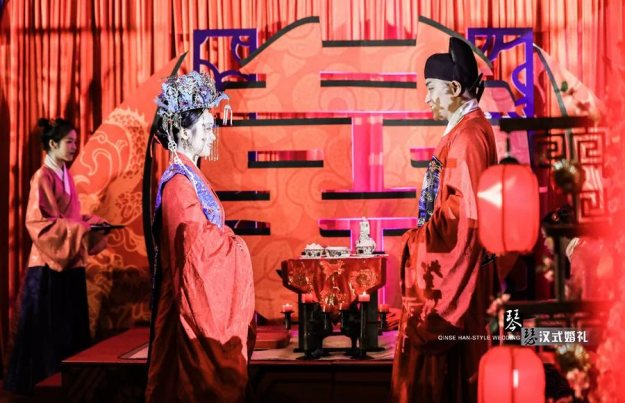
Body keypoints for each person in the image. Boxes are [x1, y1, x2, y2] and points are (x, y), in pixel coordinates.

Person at [391, 37, 498, 403]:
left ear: (453, 89)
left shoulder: (468, 135)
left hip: (460, 276)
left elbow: (465, 213)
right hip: (468, 269)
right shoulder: (465, 129)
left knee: (450, 373)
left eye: (431, 89)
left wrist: (418, 242)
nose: (427, 99)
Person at [145, 71, 256, 403]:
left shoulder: (189, 178)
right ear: (183, 131)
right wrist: (236, 247)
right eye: (205, 127)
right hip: (186, 312)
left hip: (190, 301)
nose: (212, 135)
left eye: (212, 126)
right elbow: (198, 254)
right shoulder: (178, 185)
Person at [4, 118, 109, 394]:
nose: (74, 147)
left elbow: (68, 218)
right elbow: (38, 223)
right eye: (69, 142)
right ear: (52, 144)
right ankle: (43, 388)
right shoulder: (42, 177)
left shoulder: (65, 174)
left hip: (69, 260)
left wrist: (91, 223)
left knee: (69, 328)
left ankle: (72, 387)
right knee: (47, 332)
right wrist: (80, 228)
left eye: (76, 141)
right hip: (48, 266)